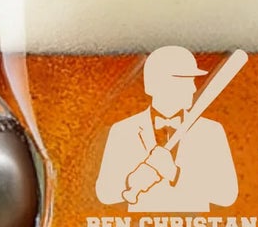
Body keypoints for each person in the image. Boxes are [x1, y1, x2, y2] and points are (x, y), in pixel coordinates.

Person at [94, 47, 239, 213]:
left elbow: (227, 194)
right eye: (184, 80)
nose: (193, 89)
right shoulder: (123, 131)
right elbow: (104, 193)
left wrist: (174, 174)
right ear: (154, 84)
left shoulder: (210, 132)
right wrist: (129, 182)